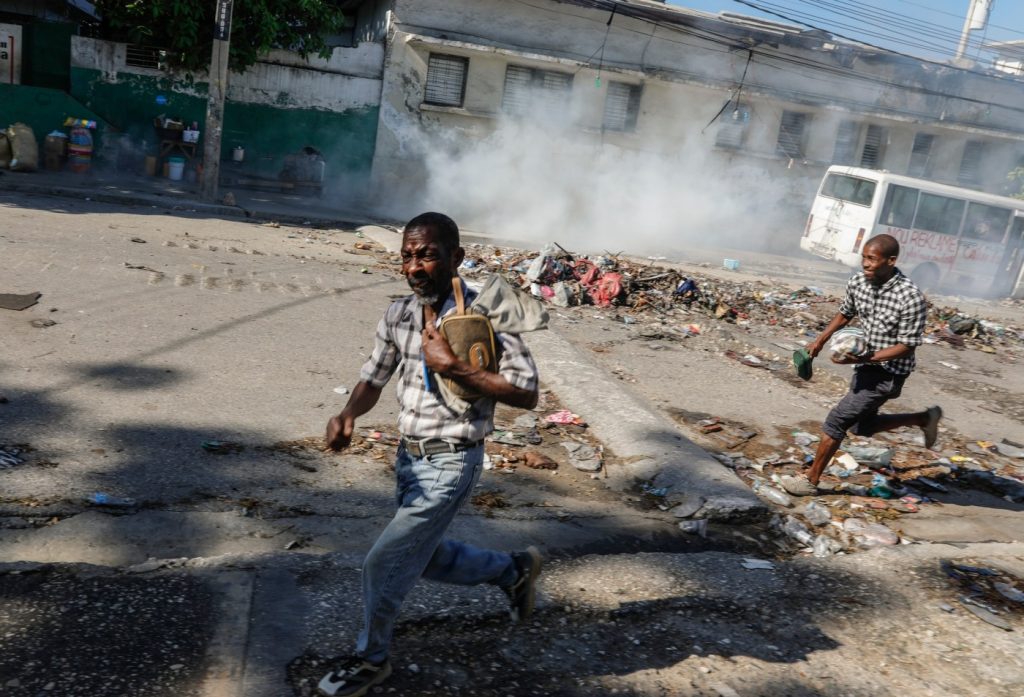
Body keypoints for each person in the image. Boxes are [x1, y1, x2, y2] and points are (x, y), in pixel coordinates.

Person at [316, 212, 542, 697]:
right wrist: (348, 414)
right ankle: (514, 570)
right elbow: (374, 376)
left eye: (427, 255)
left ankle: (371, 659)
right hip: (409, 461)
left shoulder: (490, 312)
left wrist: (455, 366)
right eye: (407, 257)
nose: (415, 267)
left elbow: (526, 392)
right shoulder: (398, 314)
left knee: (384, 562)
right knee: (425, 557)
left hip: (453, 460)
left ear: (456, 257)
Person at [793, 234, 942, 492]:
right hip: (865, 366)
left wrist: (867, 358)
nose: (866, 264)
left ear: (891, 261)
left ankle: (810, 480)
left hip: (889, 373)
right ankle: (924, 418)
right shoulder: (858, 282)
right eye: (864, 258)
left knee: (837, 421)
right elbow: (846, 312)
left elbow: (907, 345)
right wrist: (819, 341)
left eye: (872, 259)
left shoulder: (910, 297)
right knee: (862, 425)